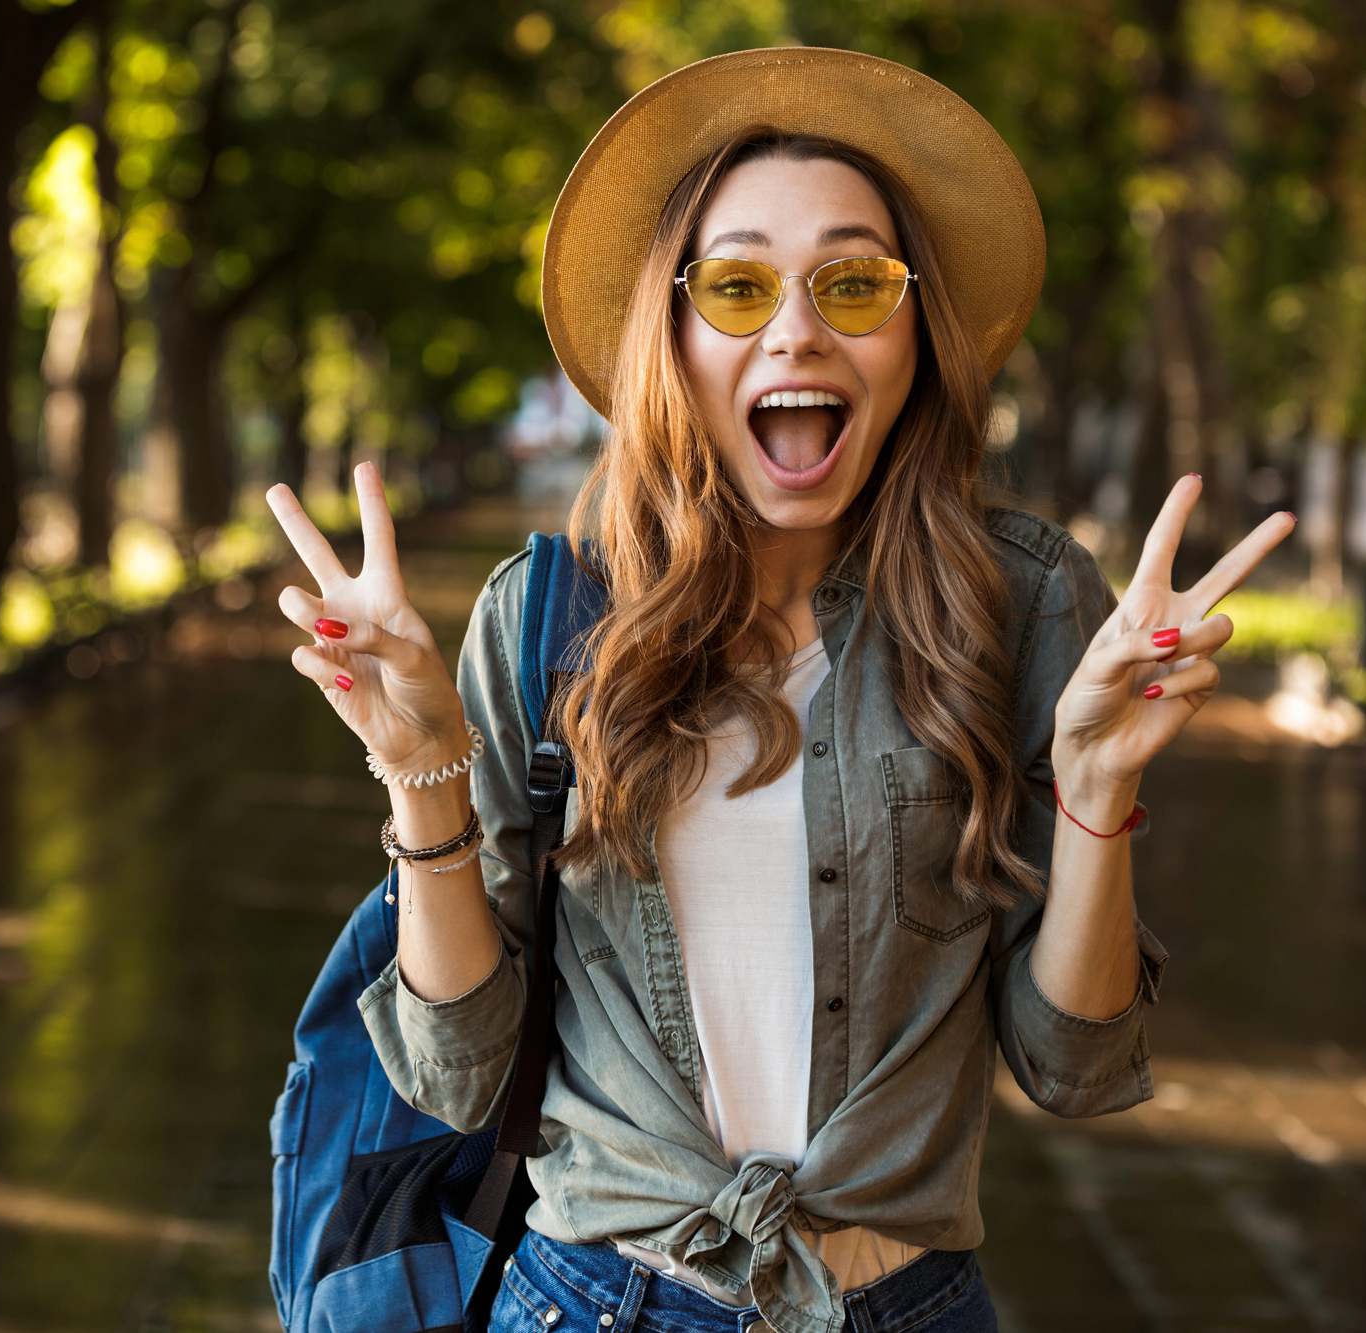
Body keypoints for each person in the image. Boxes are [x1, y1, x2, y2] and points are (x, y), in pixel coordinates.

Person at [265, 47, 1293, 1333]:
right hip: (593, 1299)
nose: (797, 327)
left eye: (853, 281)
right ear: (675, 335)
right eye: (739, 285)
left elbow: (1075, 1067)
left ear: (917, 332)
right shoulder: (542, 620)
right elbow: (458, 1073)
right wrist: (422, 766)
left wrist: (1094, 793)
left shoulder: (1020, 604)